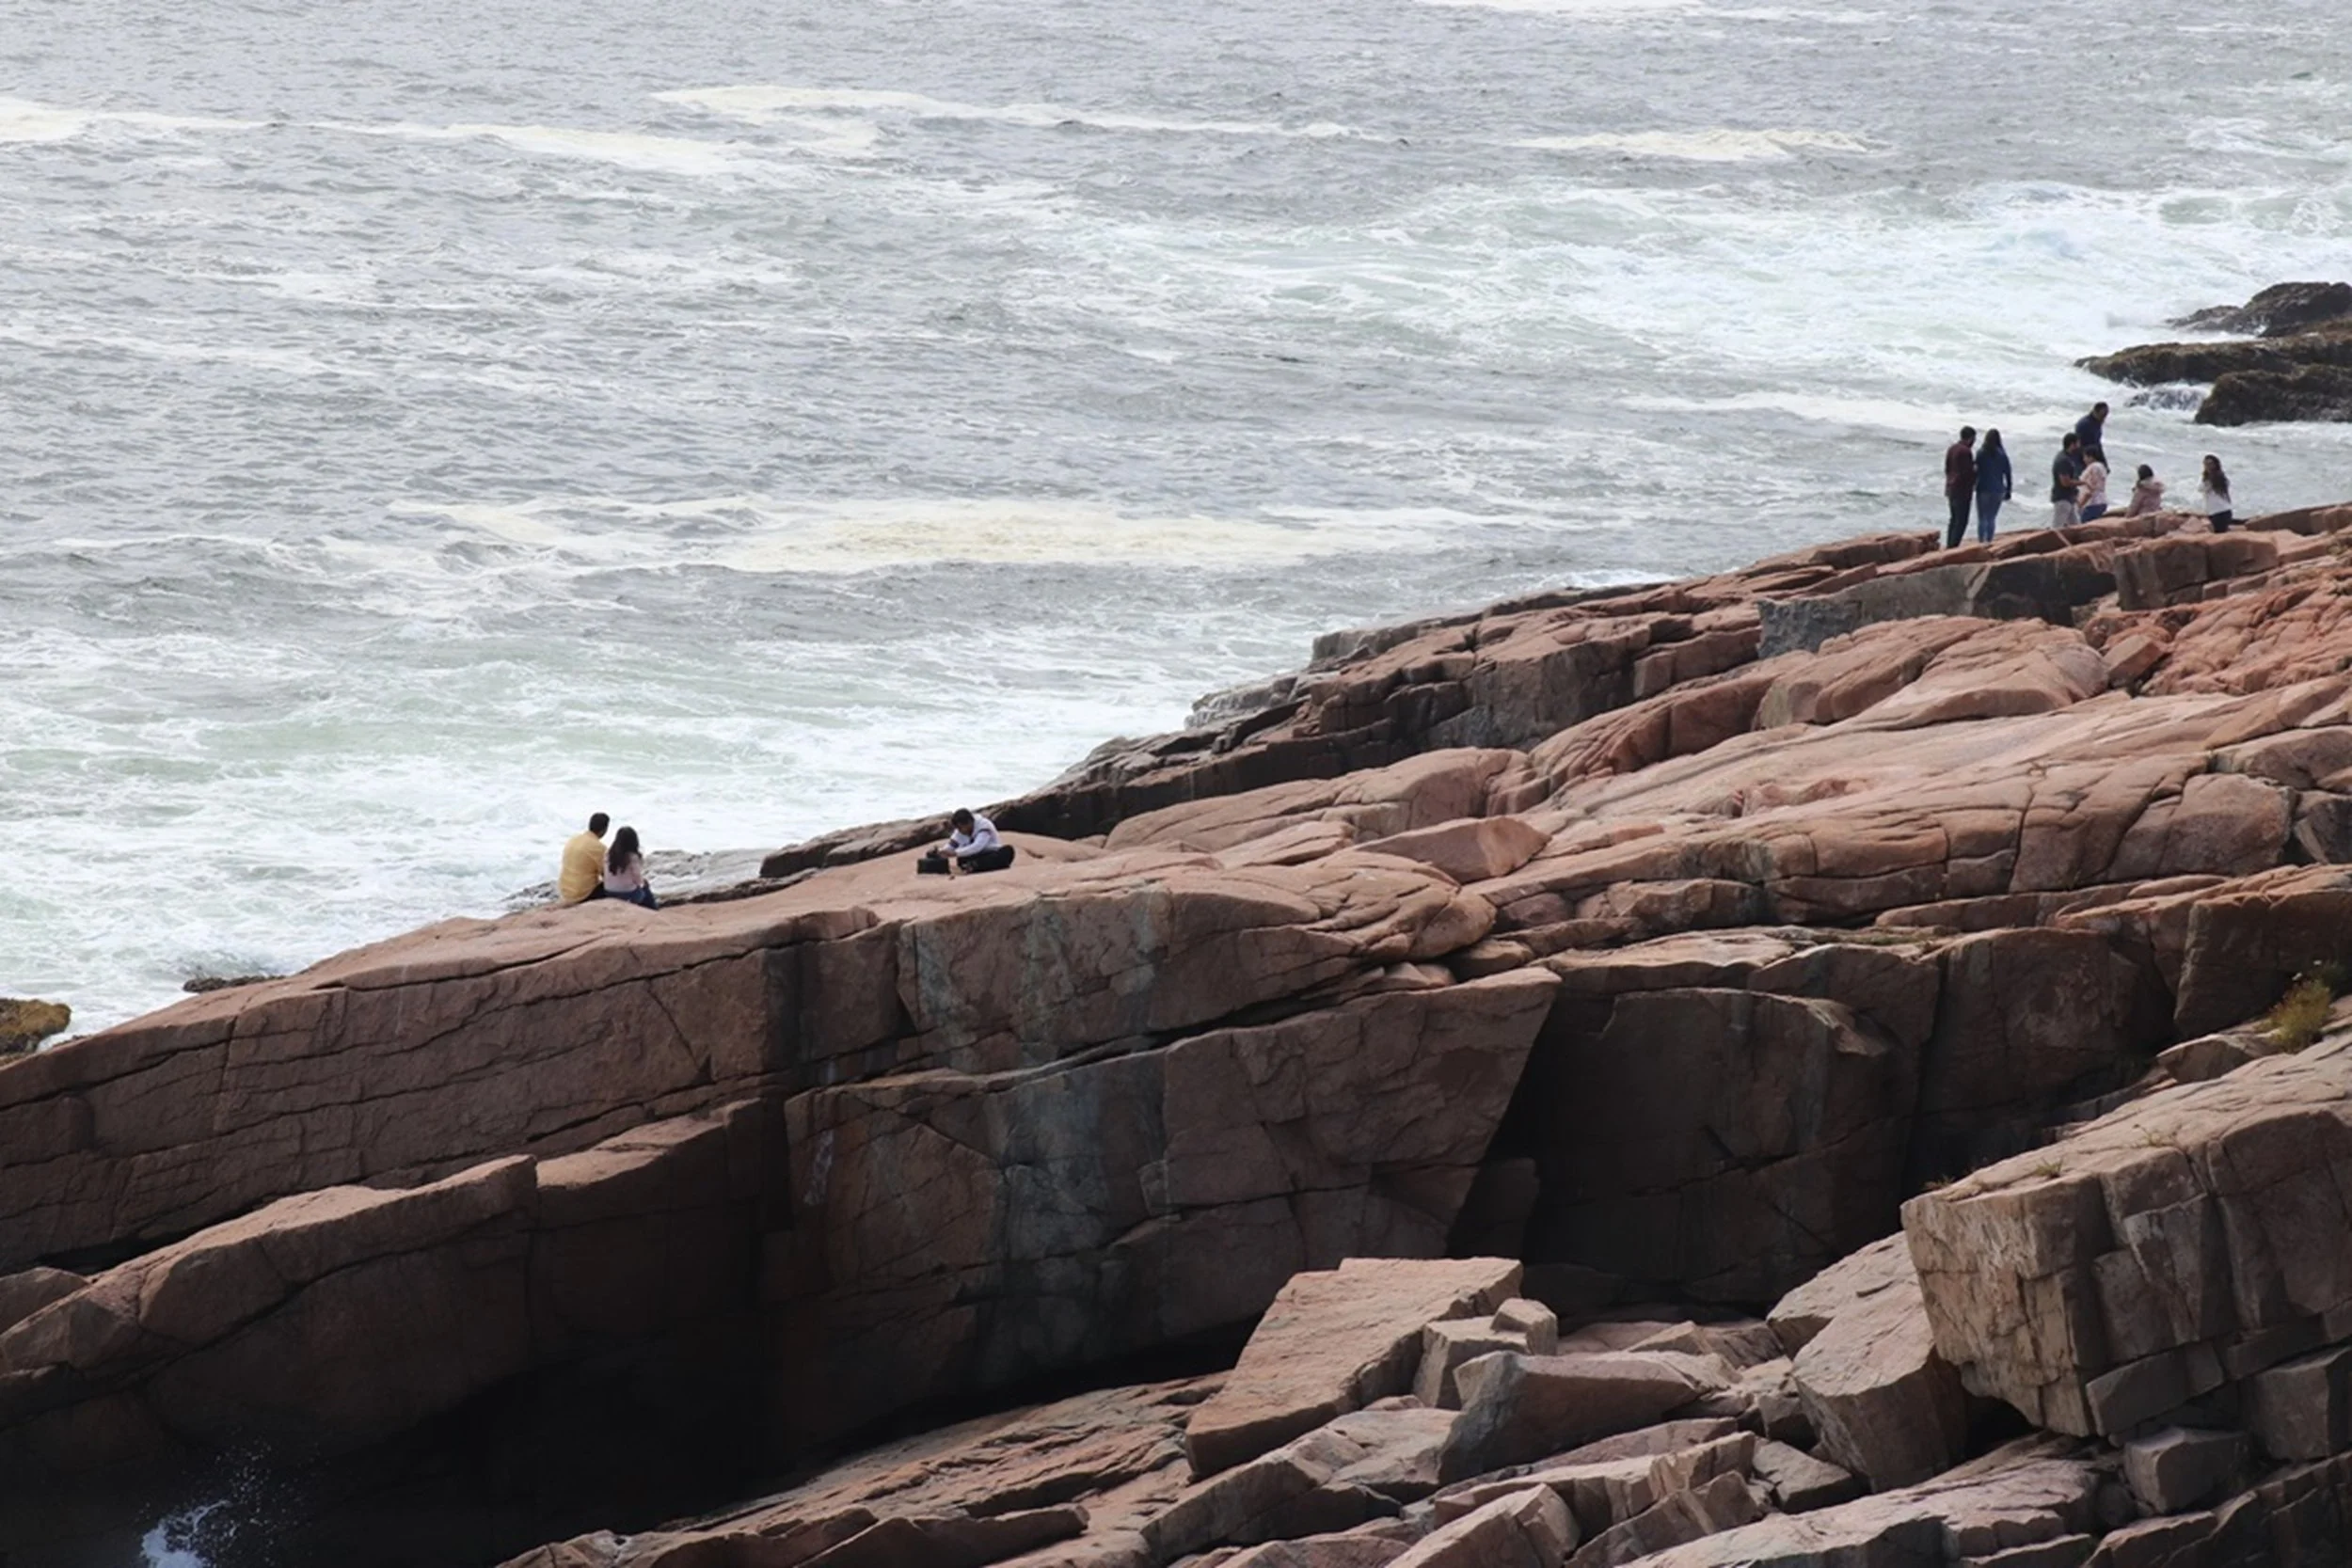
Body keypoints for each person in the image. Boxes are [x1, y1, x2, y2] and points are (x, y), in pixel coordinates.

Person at [917, 808, 1017, 875]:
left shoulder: (984, 826)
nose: (959, 831)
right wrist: (939, 851)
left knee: (1007, 851)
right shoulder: (960, 832)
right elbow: (952, 845)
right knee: (961, 860)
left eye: (961, 827)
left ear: (969, 822)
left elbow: (977, 846)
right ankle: (974, 866)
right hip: (975, 856)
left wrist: (955, 853)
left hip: (990, 852)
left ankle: (975, 866)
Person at [600, 825, 660, 909]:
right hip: (627, 894)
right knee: (645, 888)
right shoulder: (632, 857)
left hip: (609, 891)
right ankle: (653, 909)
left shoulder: (608, 854)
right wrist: (643, 884)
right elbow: (638, 879)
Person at [559, 813, 610, 905]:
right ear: (605, 830)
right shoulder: (599, 848)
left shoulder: (574, 839)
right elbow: (608, 875)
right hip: (582, 895)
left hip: (564, 892)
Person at [1973, 429, 2012, 543]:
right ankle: (1989, 541)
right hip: (1998, 489)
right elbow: (2008, 473)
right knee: (1991, 518)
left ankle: (1981, 542)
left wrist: (1973, 484)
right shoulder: (2002, 454)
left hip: (1983, 488)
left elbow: (1976, 471)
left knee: (1982, 518)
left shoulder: (1981, 453)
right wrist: (2009, 489)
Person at [1943, 426, 1978, 548]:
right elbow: (1967, 473)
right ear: (1970, 438)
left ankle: (1949, 543)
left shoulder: (1952, 449)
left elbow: (1947, 468)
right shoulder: (1965, 452)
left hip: (1951, 487)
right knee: (1961, 520)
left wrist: (1948, 483)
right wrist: (1976, 473)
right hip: (1962, 490)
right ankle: (1953, 546)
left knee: (1953, 519)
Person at [2050, 432, 2085, 529]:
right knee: (2057, 526)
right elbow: (2065, 482)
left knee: (2076, 526)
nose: (2079, 446)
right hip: (2062, 498)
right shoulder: (2063, 460)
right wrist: (2082, 482)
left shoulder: (2067, 457)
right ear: (2072, 444)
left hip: (2069, 498)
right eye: (2078, 443)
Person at [2201, 455, 2235, 533]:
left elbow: (2200, 488)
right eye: (2206, 464)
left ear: (2215, 464)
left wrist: (2206, 477)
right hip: (2217, 512)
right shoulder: (2219, 477)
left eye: (2210, 463)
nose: (2208, 466)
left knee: (2218, 534)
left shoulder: (2212, 479)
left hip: (2220, 513)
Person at [2076, 451, 2111, 522]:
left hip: (2092, 503)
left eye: (2085, 457)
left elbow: (2091, 488)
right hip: (2102, 501)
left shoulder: (2093, 468)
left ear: (2091, 457)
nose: (2084, 459)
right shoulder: (2102, 467)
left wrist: (2080, 504)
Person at [2074, 402, 2109, 467]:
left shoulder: (2096, 423)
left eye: (2105, 415)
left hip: (2092, 457)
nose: (2104, 419)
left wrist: (2104, 463)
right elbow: (2080, 446)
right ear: (2095, 412)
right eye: (2102, 415)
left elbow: (2097, 444)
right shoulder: (2085, 424)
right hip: (2084, 460)